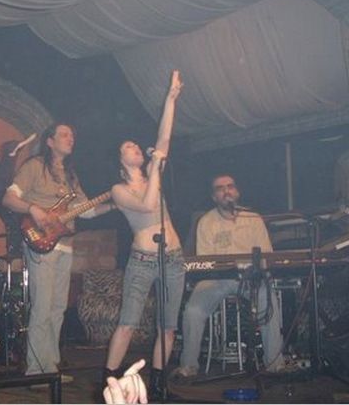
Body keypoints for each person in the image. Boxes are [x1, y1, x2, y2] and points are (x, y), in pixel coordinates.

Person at [2, 122, 114, 382]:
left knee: (57, 308)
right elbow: (9, 198)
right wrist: (32, 209)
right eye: (64, 134)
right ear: (50, 142)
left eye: (72, 134)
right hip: (40, 242)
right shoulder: (35, 166)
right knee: (42, 307)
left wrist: (114, 204)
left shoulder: (71, 176)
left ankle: (50, 368)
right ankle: (35, 371)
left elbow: (86, 210)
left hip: (65, 246)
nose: (70, 137)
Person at [103, 70, 186, 400]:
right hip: (141, 262)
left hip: (173, 259)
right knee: (128, 324)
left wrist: (170, 99)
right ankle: (109, 383)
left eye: (136, 145)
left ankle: (159, 387)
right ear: (121, 160)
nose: (136, 147)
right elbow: (149, 204)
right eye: (129, 147)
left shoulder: (153, 173)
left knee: (168, 327)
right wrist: (154, 168)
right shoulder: (119, 189)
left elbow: (164, 139)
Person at [174, 173, 286, 378]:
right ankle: (188, 366)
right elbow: (205, 262)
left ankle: (275, 364)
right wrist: (226, 267)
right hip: (217, 279)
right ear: (213, 197)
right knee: (192, 311)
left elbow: (266, 255)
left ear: (237, 192)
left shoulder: (253, 218)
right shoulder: (206, 222)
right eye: (220, 188)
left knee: (268, 300)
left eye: (230, 186)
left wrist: (256, 271)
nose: (226, 191)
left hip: (250, 278)